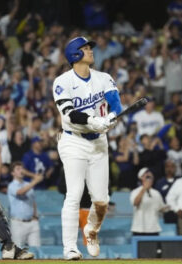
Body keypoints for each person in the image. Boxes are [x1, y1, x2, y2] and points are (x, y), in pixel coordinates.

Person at [53, 37, 122, 260]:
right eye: (85, 48)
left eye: (89, 47)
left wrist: (111, 117)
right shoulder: (62, 82)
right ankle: (70, 248)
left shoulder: (104, 78)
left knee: (102, 200)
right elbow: (69, 114)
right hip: (74, 141)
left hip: (99, 142)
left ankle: (91, 231)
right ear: (75, 54)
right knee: (74, 194)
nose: (90, 50)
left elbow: (116, 104)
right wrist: (94, 121)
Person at [7, 161, 42, 247]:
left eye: (22, 169)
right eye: (18, 169)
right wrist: (34, 181)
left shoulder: (27, 184)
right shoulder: (11, 185)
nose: (21, 171)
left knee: (36, 249)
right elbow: (20, 192)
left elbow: (33, 201)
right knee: (18, 250)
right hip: (18, 223)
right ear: (12, 173)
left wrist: (35, 216)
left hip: (32, 222)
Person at [130, 168, 167, 236]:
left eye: (150, 177)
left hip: (153, 229)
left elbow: (162, 208)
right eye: (147, 177)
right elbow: (136, 203)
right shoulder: (135, 192)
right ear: (141, 178)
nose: (149, 179)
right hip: (139, 229)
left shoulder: (156, 193)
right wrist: (144, 188)